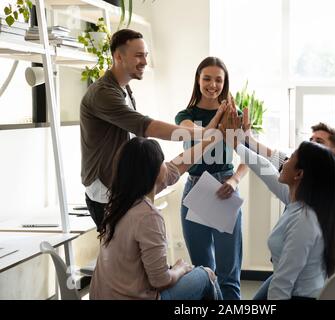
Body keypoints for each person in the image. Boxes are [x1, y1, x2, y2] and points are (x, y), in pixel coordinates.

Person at [80, 29, 199, 229]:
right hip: (105, 193)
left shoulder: (123, 89)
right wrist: (200, 133)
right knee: (123, 257)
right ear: (118, 56)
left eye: (145, 55)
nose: (144, 61)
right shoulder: (103, 93)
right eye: (138, 55)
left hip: (120, 186)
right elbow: (147, 127)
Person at [90, 135, 224, 300]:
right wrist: (180, 269)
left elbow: (173, 171)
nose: (166, 165)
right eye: (163, 161)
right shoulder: (148, 215)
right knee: (206, 274)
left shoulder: (118, 204)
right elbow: (160, 281)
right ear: (153, 171)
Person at [229, 132, 335, 299]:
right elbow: (264, 168)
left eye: (289, 159)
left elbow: (283, 283)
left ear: (299, 174)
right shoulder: (300, 201)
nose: (284, 162)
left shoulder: (304, 220)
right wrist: (236, 143)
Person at [174, 57, 248, 300]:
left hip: (224, 187)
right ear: (198, 79)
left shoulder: (233, 115)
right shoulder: (186, 115)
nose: (212, 85)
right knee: (204, 272)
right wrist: (218, 121)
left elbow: (248, 157)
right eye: (207, 78)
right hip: (195, 187)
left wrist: (234, 180)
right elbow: (193, 133)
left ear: (225, 83)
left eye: (219, 80)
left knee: (229, 274)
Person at [243, 121, 335, 171]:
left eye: (319, 142)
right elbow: (275, 157)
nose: (311, 144)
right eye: (310, 140)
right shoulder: (300, 170)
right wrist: (249, 139)